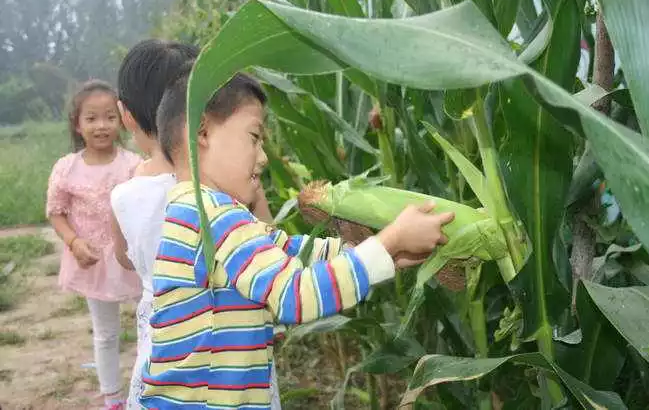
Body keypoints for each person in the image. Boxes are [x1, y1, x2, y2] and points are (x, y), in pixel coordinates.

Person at [140, 66, 454, 409]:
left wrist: (387, 254)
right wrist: (390, 240)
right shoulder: (213, 216)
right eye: (254, 137)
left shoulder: (199, 211)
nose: (262, 157)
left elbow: (292, 253)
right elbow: (293, 295)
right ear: (202, 131)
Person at [110, 39, 277, 409]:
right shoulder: (229, 187)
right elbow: (272, 248)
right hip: (236, 350)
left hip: (165, 355)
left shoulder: (125, 196)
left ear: (126, 116)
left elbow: (123, 257)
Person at [46, 80, 143, 410]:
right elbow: (56, 213)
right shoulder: (67, 168)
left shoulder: (133, 165)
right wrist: (73, 243)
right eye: (91, 118)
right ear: (77, 123)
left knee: (148, 324)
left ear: (121, 120)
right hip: (94, 263)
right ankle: (113, 398)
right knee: (105, 333)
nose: (101, 125)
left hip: (132, 261)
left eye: (109, 117)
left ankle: (147, 390)